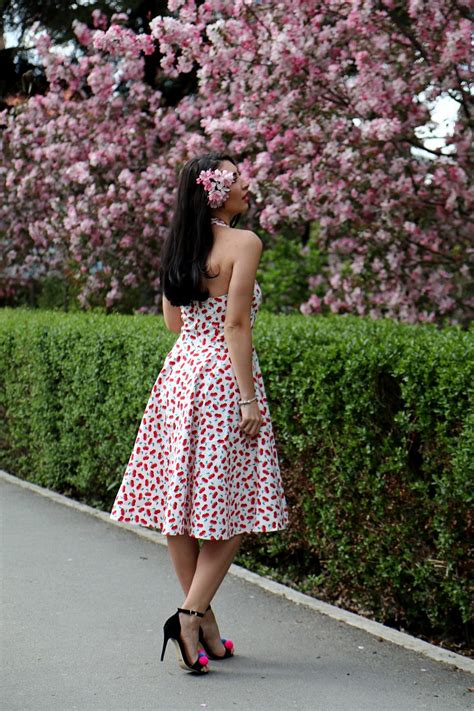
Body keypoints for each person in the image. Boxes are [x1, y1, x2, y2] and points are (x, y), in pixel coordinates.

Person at [110, 151, 289, 674]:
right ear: (216, 192)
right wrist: (248, 398)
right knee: (234, 505)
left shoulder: (178, 246)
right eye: (237, 178)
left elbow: (173, 323)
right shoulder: (245, 243)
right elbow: (236, 327)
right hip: (221, 382)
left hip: (178, 377)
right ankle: (190, 615)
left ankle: (202, 621)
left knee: (180, 504)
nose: (246, 185)